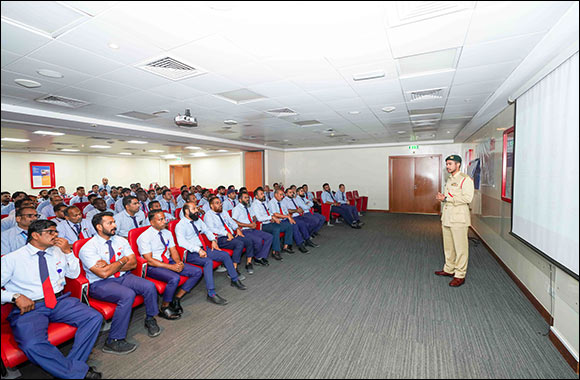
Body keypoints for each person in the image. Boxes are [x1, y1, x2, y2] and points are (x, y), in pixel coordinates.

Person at [1, 219, 103, 379]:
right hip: (31, 307)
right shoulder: (12, 259)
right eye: (51, 232)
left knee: (94, 317)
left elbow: (74, 275)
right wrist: (14, 296)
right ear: (35, 235)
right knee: (31, 344)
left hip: (59, 300)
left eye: (56, 231)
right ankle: (77, 372)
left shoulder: (57, 251)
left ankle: (70, 369)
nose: (56, 235)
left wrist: (69, 253)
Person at [79, 212, 162, 355]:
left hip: (123, 276)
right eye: (110, 223)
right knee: (127, 295)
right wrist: (122, 260)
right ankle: (113, 340)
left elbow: (133, 263)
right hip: (99, 283)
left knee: (149, 286)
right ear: (99, 227)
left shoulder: (120, 240)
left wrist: (111, 265)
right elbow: (103, 273)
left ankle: (150, 318)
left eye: (114, 222)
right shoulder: (88, 247)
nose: (114, 226)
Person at [137, 210, 202, 319]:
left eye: (164, 218)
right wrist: (171, 267)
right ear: (152, 222)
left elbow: (173, 250)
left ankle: (176, 298)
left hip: (168, 261)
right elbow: (149, 260)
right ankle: (164, 306)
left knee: (197, 272)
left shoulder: (167, 233)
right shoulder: (144, 237)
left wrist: (178, 263)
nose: (164, 221)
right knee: (174, 278)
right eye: (160, 219)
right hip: (153, 265)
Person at [175, 202, 246, 301]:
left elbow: (207, 230)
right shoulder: (180, 225)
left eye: (196, 208)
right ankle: (211, 293)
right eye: (194, 209)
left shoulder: (197, 220)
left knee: (225, 255)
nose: (197, 211)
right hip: (191, 253)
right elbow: (181, 242)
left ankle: (234, 279)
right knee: (208, 262)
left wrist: (213, 240)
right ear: (187, 211)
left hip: (203, 248)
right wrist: (198, 249)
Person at [435, 155, 475, 288]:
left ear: (458, 165)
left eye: (450, 164)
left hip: (459, 219)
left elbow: (468, 198)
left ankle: (460, 275)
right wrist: (443, 198)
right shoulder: (450, 179)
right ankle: (449, 269)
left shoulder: (465, 179)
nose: (447, 166)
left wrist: (447, 198)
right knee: (448, 246)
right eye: (447, 164)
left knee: (460, 248)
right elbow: (449, 198)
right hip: (447, 217)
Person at [204, 197, 255, 276]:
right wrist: (226, 233)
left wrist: (237, 228)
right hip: (220, 238)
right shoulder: (208, 215)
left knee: (248, 240)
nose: (220, 204)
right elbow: (211, 229)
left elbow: (232, 222)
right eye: (217, 203)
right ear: (211, 205)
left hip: (231, 234)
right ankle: (233, 269)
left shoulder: (224, 212)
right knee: (239, 244)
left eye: (220, 203)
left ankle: (249, 263)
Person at [232, 192, 273, 268]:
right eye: (245, 198)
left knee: (269, 237)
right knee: (258, 240)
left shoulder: (249, 207)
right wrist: (248, 225)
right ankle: (257, 258)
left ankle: (261, 256)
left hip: (252, 228)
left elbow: (254, 216)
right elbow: (234, 221)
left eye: (248, 197)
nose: (247, 199)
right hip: (244, 230)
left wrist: (253, 222)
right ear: (240, 200)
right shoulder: (236, 209)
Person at [251, 187, 294, 261]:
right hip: (262, 225)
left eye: (263, 193)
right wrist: (271, 217)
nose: (263, 195)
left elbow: (269, 212)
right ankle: (275, 251)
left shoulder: (264, 203)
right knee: (276, 229)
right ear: (256, 196)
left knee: (288, 226)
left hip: (269, 222)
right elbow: (259, 218)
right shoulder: (255, 205)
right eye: (261, 194)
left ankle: (286, 247)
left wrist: (273, 217)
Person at [269, 189, 310, 253]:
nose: (282, 196)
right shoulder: (271, 202)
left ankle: (287, 246)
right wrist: (288, 217)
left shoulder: (282, 202)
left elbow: (286, 211)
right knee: (293, 226)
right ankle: (300, 244)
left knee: (296, 223)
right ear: (275, 195)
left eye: (283, 194)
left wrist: (290, 217)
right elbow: (275, 214)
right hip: (278, 220)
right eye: (280, 195)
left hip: (285, 219)